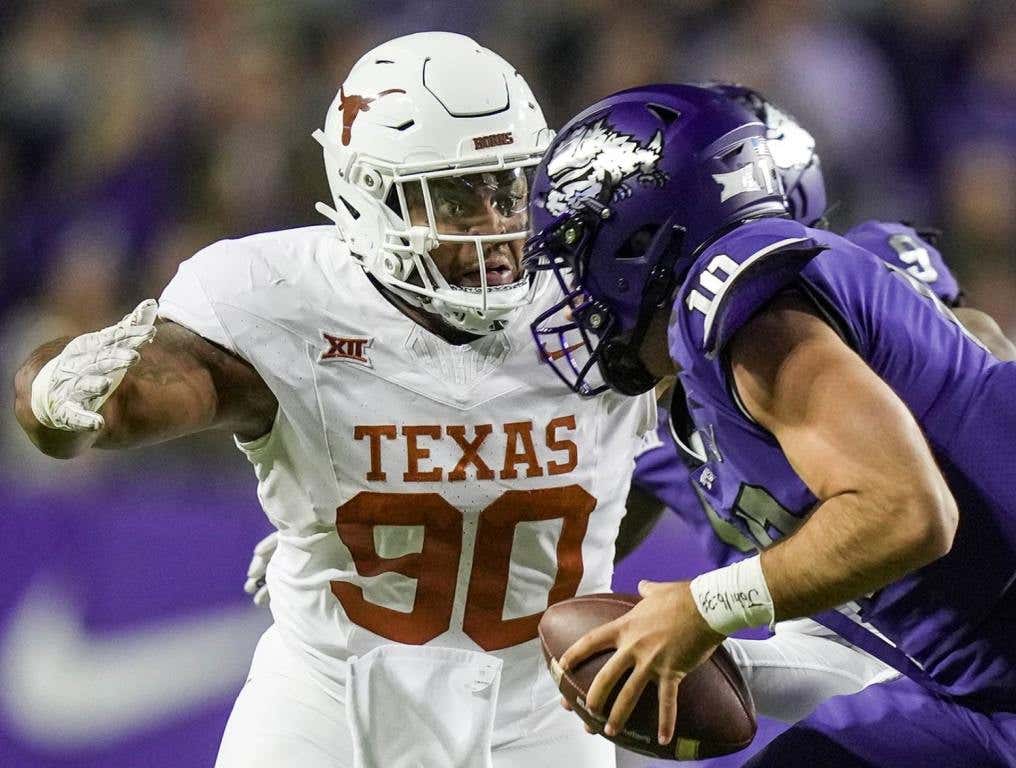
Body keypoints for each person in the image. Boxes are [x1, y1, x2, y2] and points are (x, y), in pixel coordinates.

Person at [13, 33, 659, 768]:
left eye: (506, 186)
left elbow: (667, 461)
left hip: (536, 714)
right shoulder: (283, 299)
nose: (495, 227)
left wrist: (486, 541)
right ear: (369, 196)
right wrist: (50, 395)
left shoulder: (598, 296)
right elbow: (120, 407)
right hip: (325, 698)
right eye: (454, 195)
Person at [523, 83, 1016, 765]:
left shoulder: (738, 308)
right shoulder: (692, 388)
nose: (577, 294)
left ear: (641, 243)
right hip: (972, 684)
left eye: (581, 259)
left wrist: (703, 609)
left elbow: (906, 511)